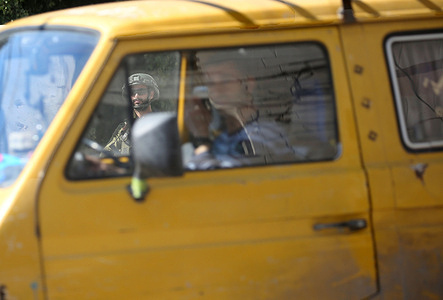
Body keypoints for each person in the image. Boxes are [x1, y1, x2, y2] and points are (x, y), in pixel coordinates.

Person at [185, 49, 301, 170]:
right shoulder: (224, 137)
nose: (216, 89)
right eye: (210, 82)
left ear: (248, 84)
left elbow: (229, 178)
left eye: (225, 80)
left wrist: (202, 140)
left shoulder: (264, 132)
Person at [104, 73, 160, 156]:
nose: (136, 96)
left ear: (151, 94)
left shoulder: (160, 124)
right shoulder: (124, 129)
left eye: (141, 91)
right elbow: (106, 153)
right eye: (132, 93)